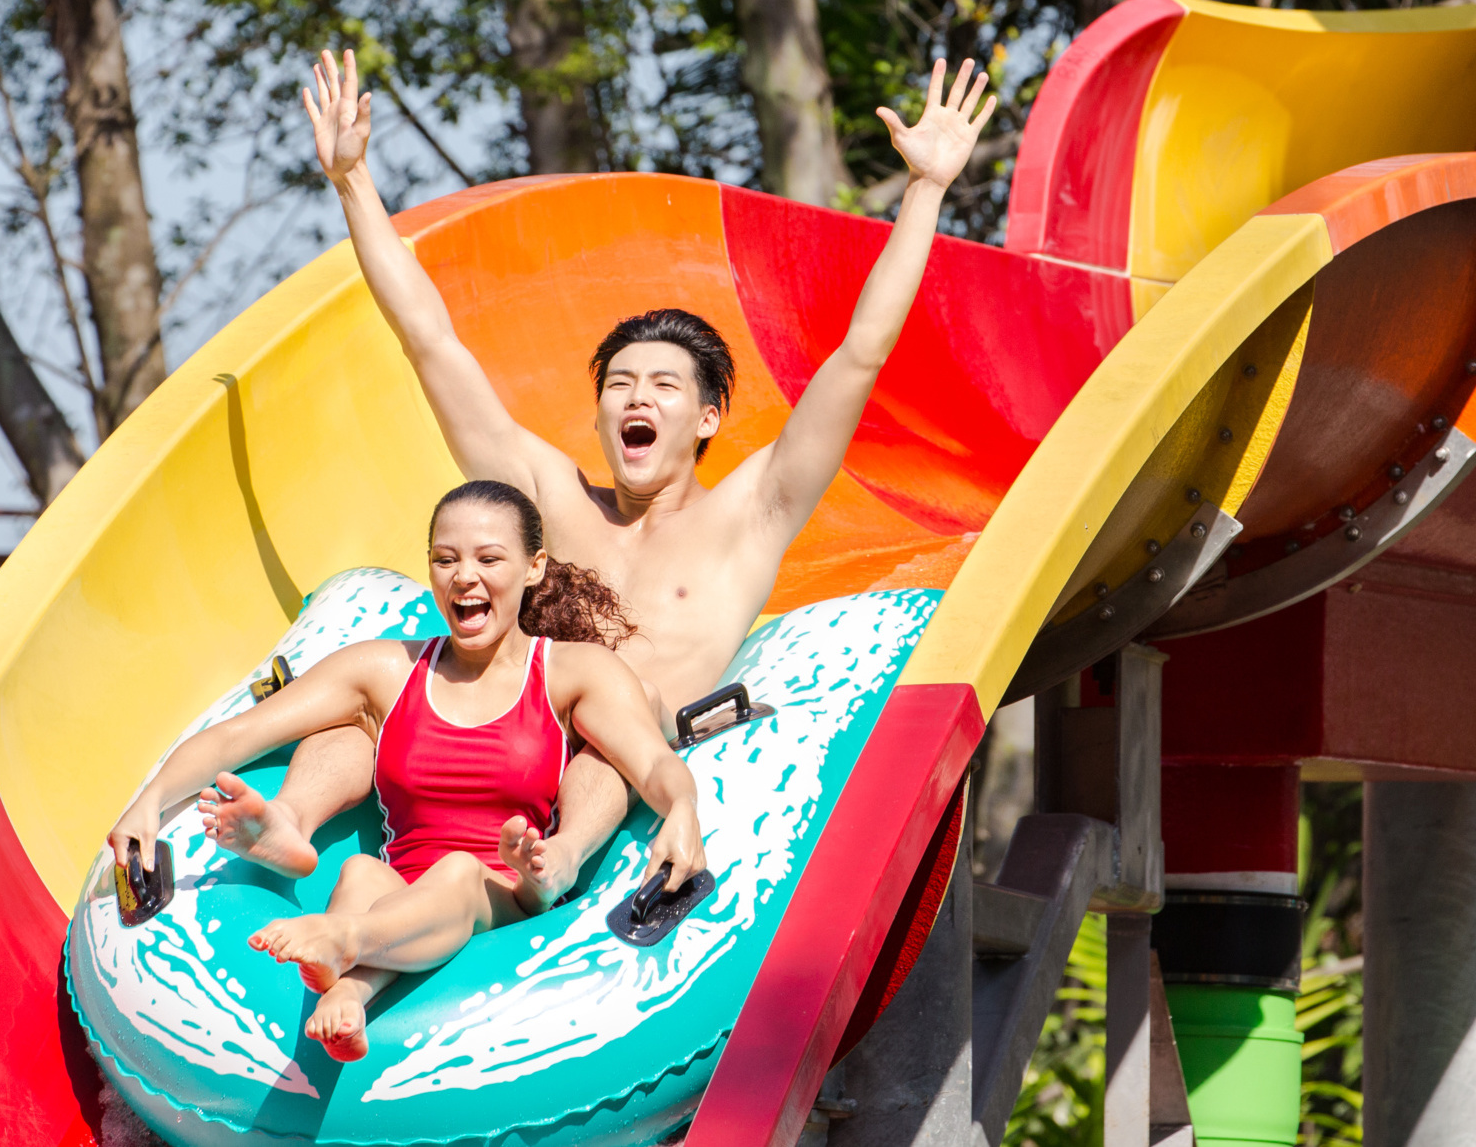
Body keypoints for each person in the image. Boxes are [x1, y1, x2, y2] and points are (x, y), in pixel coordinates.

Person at [202, 46, 996, 905]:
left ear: (706, 421)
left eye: (661, 386)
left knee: (613, 729)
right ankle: (284, 820)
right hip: (495, 744)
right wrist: (353, 180)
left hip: (618, 753)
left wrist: (925, 191)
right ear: (598, 415)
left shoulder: (751, 516)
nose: (633, 400)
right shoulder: (551, 504)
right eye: (618, 385)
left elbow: (858, 356)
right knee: (368, 712)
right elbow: (430, 340)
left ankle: (563, 857)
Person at [104, 480, 705, 1061]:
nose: (464, 576)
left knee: (459, 874)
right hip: (403, 888)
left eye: (488, 558)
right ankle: (348, 990)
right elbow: (242, 734)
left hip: (513, 893)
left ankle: (347, 940)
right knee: (363, 871)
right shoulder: (389, 670)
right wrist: (150, 801)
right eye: (445, 559)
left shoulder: (572, 673)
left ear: (534, 567)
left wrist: (682, 810)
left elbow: (651, 761)